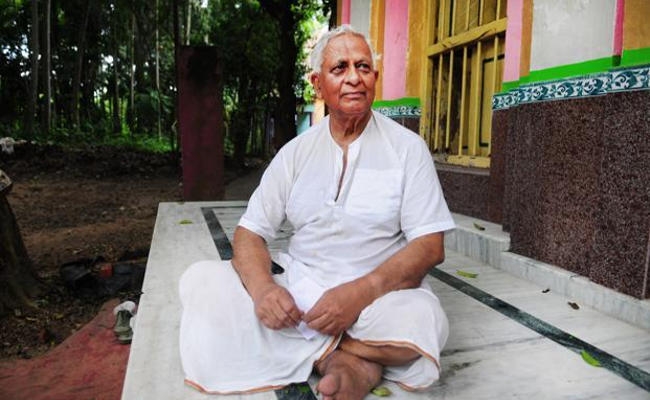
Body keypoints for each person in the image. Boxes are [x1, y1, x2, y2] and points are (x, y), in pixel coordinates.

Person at [179, 24, 455, 400]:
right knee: (201, 281)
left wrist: (358, 294)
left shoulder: (408, 148)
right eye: (340, 68)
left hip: (377, 298)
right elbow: (250, 232)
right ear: (317, 84)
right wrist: (263, 291)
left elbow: (429, 246)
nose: (354, 77)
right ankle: (351, 360)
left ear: (375, 78)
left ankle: (320, 351)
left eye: (363, 67)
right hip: (302, 292)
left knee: (424, 321)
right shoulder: (295, 153)